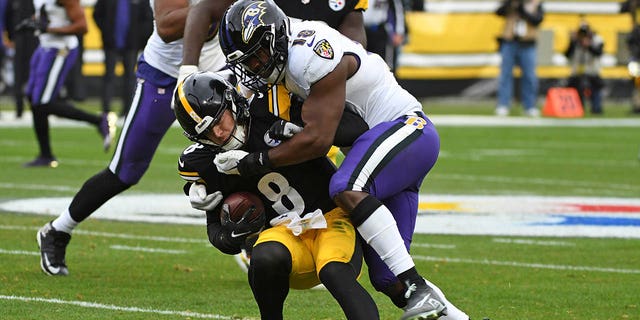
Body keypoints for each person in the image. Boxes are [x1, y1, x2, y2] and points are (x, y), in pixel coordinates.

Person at [216, 1, 454, 319]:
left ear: (273, 40)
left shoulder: (309, 51)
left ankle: (416, 286)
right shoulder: (286, 56)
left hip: (408, 129)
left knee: (345, 187)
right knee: (387, 279)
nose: (255, 67)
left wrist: (255, 162)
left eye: (256, 56)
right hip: (381, 149)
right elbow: (344, 127)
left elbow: (318, 141)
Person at [36, 0, 227, 275]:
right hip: (164, 76)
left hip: (217, 72)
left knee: (237, 152)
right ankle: (57, 230)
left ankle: (248, 239)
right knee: (125, 170)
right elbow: (167, 27)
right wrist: (212, 6)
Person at [174, 70, 379, 320]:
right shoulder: (205, 162)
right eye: (206, 132)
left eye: (219, 121)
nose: (218, 134)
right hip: (285, 235)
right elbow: (215, 231)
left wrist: (308, 133)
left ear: (232, 103)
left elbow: (357, 128)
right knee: (264, 256)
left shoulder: (273, 109)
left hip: (332, 217)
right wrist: (233, 236)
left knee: (334, 271)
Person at [22, 0, 116, 167]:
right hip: (44, 47)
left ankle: (99, 120)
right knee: (32, 97)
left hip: (60, 49)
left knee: (43, 102)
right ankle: (46, 155)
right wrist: (33, 22)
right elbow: (48, 15)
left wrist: (48, 29)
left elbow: (82, 26)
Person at [93, 0, 153, 116]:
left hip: (131, 45)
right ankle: (106, 110)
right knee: (109, 76)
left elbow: (147, 18)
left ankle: (128, 109)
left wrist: (138, 37)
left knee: (130, 77)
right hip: (111, 43)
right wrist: (106, 31)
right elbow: (97, 14)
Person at [494, 0, 544, 117]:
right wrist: (511, 4)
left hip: (527, 43)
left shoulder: (535, 3)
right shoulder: (512, 2)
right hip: (510, 42)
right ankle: (503, 104)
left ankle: (530, 105)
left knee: (529, 75)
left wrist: (522, 9)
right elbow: (498, 12)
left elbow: (537, 20)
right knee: (505, 74)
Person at [5, 0, 39, 119]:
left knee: (35, 73)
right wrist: (11, 37)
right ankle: (19, 108)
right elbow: (8, 18)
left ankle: (37, 108)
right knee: (18, 76)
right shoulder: (13, 2)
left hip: (34, 39)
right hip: (19, 39)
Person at [564, 19, 604, 115]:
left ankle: (596, 107)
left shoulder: (596, 39)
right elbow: (567, 54)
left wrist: (589, 45)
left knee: (596, 86)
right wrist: (573, 42)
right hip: (577, 72)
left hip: (592, 71)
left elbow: (599, 53)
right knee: (574, 86)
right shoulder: (575, 41)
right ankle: (577, 107)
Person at [363, 0, 406, 72]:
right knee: (362, 62)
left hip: (378, 30)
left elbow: (397, 8)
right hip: (359, 29)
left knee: (382, 64)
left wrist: (399, 31)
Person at [620, 0, 640, 113]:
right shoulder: (635, 31)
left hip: (636, 59)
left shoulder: (635, 31)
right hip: (637, 59)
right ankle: (637, 105)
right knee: (636, 84)